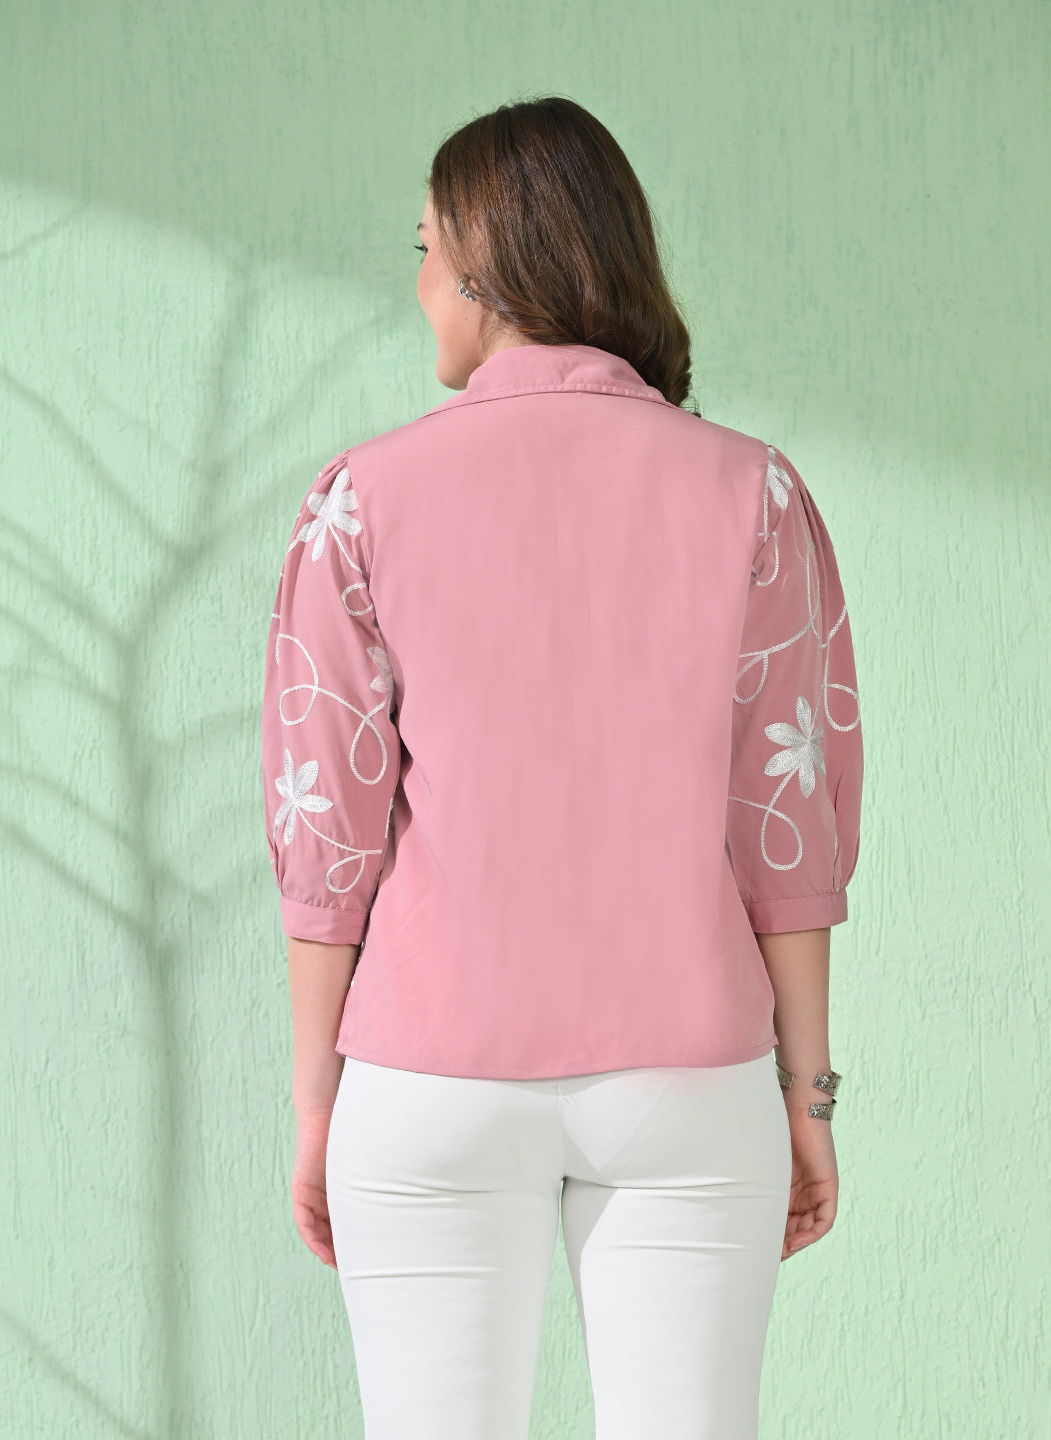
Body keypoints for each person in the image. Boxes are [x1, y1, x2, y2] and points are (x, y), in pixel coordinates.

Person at [261, 94, 863, 1440]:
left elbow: (327, 841)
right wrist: (807, 1096)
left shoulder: (359, 499)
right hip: (689, 1076)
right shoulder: (756, 493)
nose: (419, 286)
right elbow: (788, 826)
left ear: (484, 266)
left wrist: (316, 1104)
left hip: (427, 1075)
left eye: (425, 250)